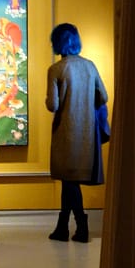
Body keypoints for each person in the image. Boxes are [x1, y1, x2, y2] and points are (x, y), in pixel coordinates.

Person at [45, 22, 108, 243]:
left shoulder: (56, 69)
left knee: (69, 180)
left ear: (57, 43)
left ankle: (81, 226)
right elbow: (103, 97)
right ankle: (63, 227)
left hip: (66, 131)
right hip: (88, 132)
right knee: (69, 180)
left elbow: (53, 105)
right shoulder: (90, 66)